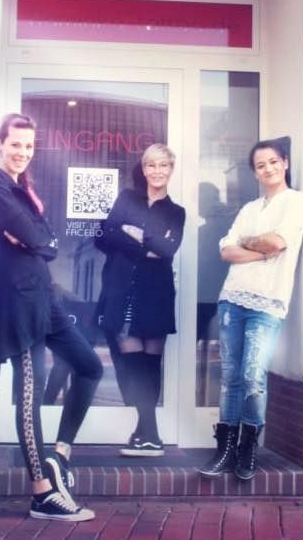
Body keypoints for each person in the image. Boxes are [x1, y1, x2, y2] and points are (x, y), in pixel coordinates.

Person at [0, 113, 102, 521]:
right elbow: (42, 239)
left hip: (44, 297)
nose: (22, 152)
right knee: (30, 395)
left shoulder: (19, 188)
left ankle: (59, 454)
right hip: (17, 300)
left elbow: (45, 239)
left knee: (89, 366)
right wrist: (38, 239)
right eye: (15, 144)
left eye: (28, 146)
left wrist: (37, 238)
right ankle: (41, 492)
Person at [197, 138, 303, 481]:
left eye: (273, 162)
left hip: (268, 303)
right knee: (229, 378)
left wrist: (254, 244)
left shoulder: (296, 203)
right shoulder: (248, 210)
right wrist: (260, 248)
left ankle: (248, 449)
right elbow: (227, 251)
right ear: (255, 172)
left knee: (253, 377)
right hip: (232, 299)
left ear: (284, 163)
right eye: (261, 165)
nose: (268, 169)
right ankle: (224, 450)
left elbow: (278, 242)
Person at [96, 143, 185, 456]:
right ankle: (150, 432)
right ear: (144, 169)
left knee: (151, 361)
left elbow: (165, 250)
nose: (157, 172)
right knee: (131, 360)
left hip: (156, 291)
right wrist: (141, 244)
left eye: (163, 166)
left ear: (171, 170)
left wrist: (134, 236)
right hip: (122, 290)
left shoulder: (176, 212)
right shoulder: (127, 199)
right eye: (151, 165)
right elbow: (104, 234)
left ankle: (147, 433)